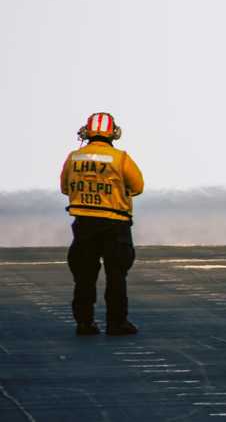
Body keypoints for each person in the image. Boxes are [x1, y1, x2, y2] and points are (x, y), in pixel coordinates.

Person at [59, 112, 144, 336]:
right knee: (116, 275)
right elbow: (137, 187)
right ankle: (117, 323)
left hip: (84, 223)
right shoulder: (120, 158)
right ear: (113, 133)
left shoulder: (74, 157)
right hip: (115, 223)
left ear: (86, 132)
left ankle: (84, 323)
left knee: (84, 276)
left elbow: (65, 188)